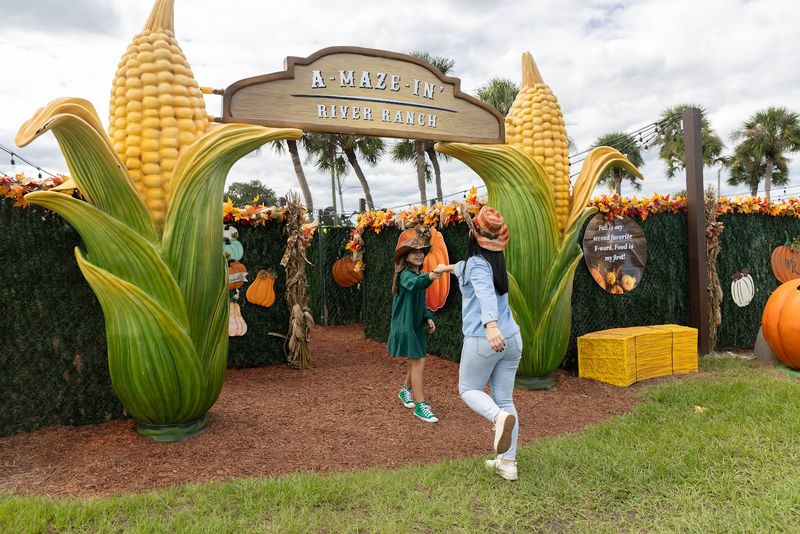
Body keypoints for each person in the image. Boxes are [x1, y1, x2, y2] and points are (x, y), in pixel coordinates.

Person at [434, 206, 522, 480]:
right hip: (513, 339)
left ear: (472, 235)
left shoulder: (477, 264)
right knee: (505, 398)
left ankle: (497, 419)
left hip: (485, 338)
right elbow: (466, 269)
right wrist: (444, 268)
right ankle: (508, 464)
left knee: (468, 389)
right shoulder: (493, 261)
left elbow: (484, 292)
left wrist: (490, 325)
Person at [387, 226, 442, 423]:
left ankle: (405, 391)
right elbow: (416, 284)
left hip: (416, 324)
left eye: (421, 252)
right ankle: (421, 405)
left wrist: (427, 316)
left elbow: (421, 300)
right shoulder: (405, 275)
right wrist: (431, 276)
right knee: (418, 363)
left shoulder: (417, 274)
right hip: (406, 326)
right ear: (406, 256)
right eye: (414, 252)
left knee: (418, 361)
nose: (419, 255)